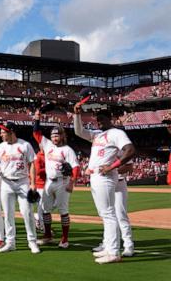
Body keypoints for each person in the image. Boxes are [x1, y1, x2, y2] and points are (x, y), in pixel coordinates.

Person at [74, 104, 135, 264]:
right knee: (105, 214)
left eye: (102, 118)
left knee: (109, 214)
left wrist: (112, 166)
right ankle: (108, 248)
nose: (99, 121)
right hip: (96, 176)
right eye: (97, 119)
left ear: (110, 119)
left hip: (105, 176)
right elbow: (79, 132)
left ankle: (114, 251)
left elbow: (130, 150)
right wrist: (77, 115)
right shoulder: (97, 135)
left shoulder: (116, 133)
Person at [33, 110, 80, 248]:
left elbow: (76, 167)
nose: (54, 137)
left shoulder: (67, 150)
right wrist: (37, 119)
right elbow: (36, 133)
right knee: (46, 210)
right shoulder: (48, 145)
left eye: (57, 135)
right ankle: (48, 235)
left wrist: (72, 182)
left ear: (62, 136)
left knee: (63, 211)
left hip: (62, 182)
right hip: (49, 182)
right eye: (52, 135)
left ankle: (64, 239)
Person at [0, 122, 40, 254]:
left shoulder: (25, 145)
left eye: (4, 132)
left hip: (22, 182)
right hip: (6, 183)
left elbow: (32, 164)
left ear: (11, 132)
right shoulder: (0, 147)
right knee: (8, 214)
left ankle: (32, 241)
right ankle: (10, 242)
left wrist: (33, 184)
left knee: (27, 212)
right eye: (1, 132)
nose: (2, 134)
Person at [93, 152, 135, 257]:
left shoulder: (121, 149)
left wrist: (112, 169)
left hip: (119, 183)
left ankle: (128, 245)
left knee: (121, 215)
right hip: (105, 182)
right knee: (106, 215)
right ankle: (107, 244)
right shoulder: (102, 149)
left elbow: (129, 167)